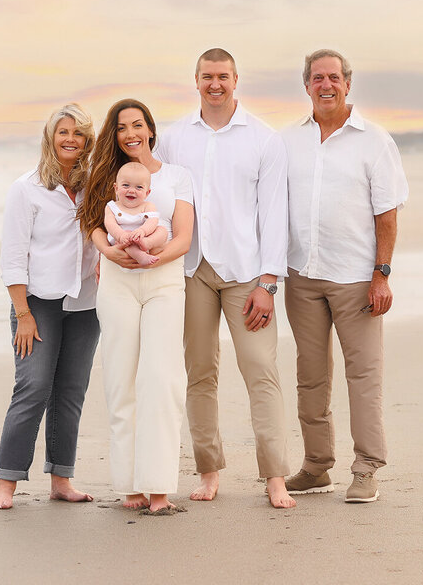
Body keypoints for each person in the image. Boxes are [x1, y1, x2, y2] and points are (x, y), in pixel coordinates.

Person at [157, 48, 296, 509]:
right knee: (200, 373)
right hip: (192, 270)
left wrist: (268, 282)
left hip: (246, 275)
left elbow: (275, 215)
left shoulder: (264, 139)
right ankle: (209, 470)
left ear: (236, 79)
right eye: (206, 76)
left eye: (223, 76)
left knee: (261, 370)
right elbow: (151, 192)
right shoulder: (174, 138)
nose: (215, 84)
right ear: (195, 80)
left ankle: (275, 475)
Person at [280, 49, 409, 503]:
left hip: (357, 279)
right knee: (310, 377)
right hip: (302, 278)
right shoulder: (288, 141)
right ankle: (316, 467)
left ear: (348, 84)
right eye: (317, 78)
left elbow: (387, 214)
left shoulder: (374, 141)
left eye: (334, 77)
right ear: (307, 85)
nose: (326, 85)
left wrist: (382, 275)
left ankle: (367, 468)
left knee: (364, 376)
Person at [79, 99, 195, 515]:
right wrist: (111, 256)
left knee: (161, 380)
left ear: (150, 129)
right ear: (115, 134)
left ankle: (159, 488)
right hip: (116, 284)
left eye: (137, 125)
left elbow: (181, 236)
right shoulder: (106, 177)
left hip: (164, 282)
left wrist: (148, 257)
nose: (131, 133)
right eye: (122, 127)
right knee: (121, 379)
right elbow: (92, 224)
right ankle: (130, 486)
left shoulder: (177, 177)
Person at [0, 104, 102, 510]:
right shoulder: (26, 188)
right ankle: (6, 481)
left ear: (88, 141)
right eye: (63, 132)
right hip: (37, 304)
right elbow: (13, 258)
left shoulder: (96, 185)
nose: (70, 139)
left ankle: (61, 479)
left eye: (79, 134)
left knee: (70, 392)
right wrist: (22, 313)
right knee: (33, 387)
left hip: (84, 303)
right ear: (50, 138)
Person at [103, 162, 167, 266]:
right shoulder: (112, 207)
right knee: (128, 235)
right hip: (122, 240)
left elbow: (152, 222)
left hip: (144, 236)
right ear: (116, 188)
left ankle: (147, 243)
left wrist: (142, 231)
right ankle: (140, 256)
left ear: (147, 193)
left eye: (139, 187)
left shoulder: (148, 206)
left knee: (162, 230)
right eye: (126, 185)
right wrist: (121, 235)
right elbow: (110, 224)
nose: (132, 190)